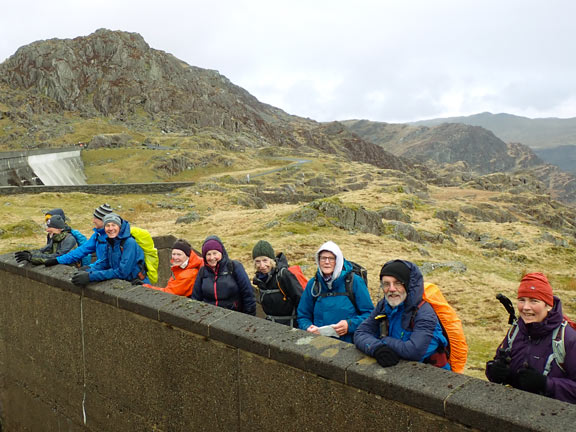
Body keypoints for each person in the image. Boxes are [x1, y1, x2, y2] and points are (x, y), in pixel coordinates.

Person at [486, 273, 576, 403]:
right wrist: (494, 371)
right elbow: (497, 366)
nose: (526, 307)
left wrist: (546, 384)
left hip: (552, 418)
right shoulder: (515, 331)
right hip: (513, 412)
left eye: (534, 301)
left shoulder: (568, 339)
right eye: (522, 300)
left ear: (549, 305)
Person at [354, 260, 450, 369]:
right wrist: (377, 348)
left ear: (408, 285)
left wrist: (384, 341)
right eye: (386, 284)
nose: (391, 289)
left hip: (431, 377)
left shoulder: (424, 313)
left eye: (398, 283)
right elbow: (360, 332)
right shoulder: (384, 306)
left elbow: (414, 351)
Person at [297, 241, 373, 343]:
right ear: (318, 260)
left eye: (331, 258)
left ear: (338, 260)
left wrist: (349, 325)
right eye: (323, 258)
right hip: (318, 344)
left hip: (348, 346)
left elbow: (369, 314)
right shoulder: (313, 284)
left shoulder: (354, 282)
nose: (327, 262)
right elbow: (303, 315)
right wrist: (307, 327)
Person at [70, 213, 149, 286]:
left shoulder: (129, 243)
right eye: (107, 225)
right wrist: (88, 270)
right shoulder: (110, 242)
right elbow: (104, 263)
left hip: (137, 284)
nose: (110, 228)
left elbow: (123, 272)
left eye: (114, 225)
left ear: (119, 227)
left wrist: (91, 276)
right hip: (124, 282)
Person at [190, 235, 256, 315]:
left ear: (221, 253)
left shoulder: (234, 267)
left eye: (215, 253)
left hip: (233, 316)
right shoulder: (202, 272)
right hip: (208, 317)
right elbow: (196, 298)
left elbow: (248, 294)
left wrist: (248, 317)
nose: (212, 257)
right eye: (208, 254)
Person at [44, 204, 113, 269]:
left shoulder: (114, 238)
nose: (93, 221)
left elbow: (108, 261)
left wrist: (90, 267)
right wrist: (58, 260)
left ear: (104, 220)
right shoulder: (97, 235)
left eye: (96, 218)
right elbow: (81, 250)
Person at [251, 240, 303, 327]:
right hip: (271, 326)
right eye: (257, 261)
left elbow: (300, 299)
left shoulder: (283, 275)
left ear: (271, 260)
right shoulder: (259, 280)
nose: (262, 265)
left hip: (291, 326)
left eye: (265, 260)